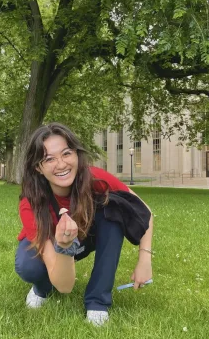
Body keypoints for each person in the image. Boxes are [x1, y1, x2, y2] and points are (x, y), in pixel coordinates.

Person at [15, 123, 153, 326]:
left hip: (87, 236)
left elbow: (144, 211)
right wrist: (63, 246)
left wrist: (145, 259)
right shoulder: (31, 203)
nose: (61, 164)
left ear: (77, 155)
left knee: (113, 211)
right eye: (49, 159)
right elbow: (65, 287)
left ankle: (97, 302)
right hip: (54, 243)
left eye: (66, 154)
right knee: (30, 267)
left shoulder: (96, 178)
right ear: (38, 167)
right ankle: (42, 289)